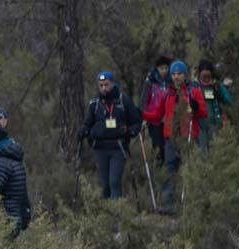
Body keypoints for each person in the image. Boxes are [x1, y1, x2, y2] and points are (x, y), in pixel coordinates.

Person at [141, 60, 208, 212]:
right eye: (173, 74)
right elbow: (157, 115)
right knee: (169, 169)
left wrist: (196, 107)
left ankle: (192, 203)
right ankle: (168, 204)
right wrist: (141, 114)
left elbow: (204, 113)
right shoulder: (168, 94)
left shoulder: (193, 91)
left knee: (189, 169)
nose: (176, 77)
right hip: (171, 138)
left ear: (185, 75)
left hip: (188, 137)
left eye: (179, 74)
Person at [82, 70, 142, 199]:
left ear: (113, 84)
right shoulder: (94, 103)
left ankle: (117, 214)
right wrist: (85, 132)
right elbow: (87, 123)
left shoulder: (123, 100)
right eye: (101, 85)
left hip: (118, 147)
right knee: (105, 185)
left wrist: (130, 132)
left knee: (114, 182)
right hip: (100, 148)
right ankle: (106, 214)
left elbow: (136, 122)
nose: (104, 88)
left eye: (106, 84)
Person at [140, 56, 173, 163]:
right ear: (157, 68)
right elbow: (144, 98)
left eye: (166, 68)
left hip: (168, 118)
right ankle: (159, 168)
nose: (164, 71)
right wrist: (143, 117)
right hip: (153, 118)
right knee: (157, 145)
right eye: (161, 68)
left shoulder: (171, 81)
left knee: (168, 145)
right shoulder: (150, 80)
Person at [195, 59, 234, 150]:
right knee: (202, 151)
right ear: (199, 74)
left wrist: (220, 93)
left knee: (214, 149)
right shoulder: (195, 86)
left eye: (208, 76)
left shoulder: (216, 86)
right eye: (204, 76)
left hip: (214, 123)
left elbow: (229, 101)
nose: (206, 79)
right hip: (200, 125)